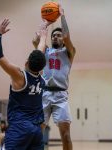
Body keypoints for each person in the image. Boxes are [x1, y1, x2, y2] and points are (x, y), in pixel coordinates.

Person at [0, 19, 48, 150]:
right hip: (36, 131)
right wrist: (44, 35)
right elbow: (41, 50)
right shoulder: (42, 77)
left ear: (26, 63)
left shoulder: (20, 76)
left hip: (19, 129)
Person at [33, 4, 76, 150]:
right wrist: (46, 23)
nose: (56, 37)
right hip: (44, 94)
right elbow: (35, 39)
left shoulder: (69, 52)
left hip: (60, 96)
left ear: (62, 40)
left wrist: (62, 16)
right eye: (53, 35)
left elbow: (66, 35)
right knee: (37, 133)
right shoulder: (45, 51)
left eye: (58, 35)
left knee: (66, 136)